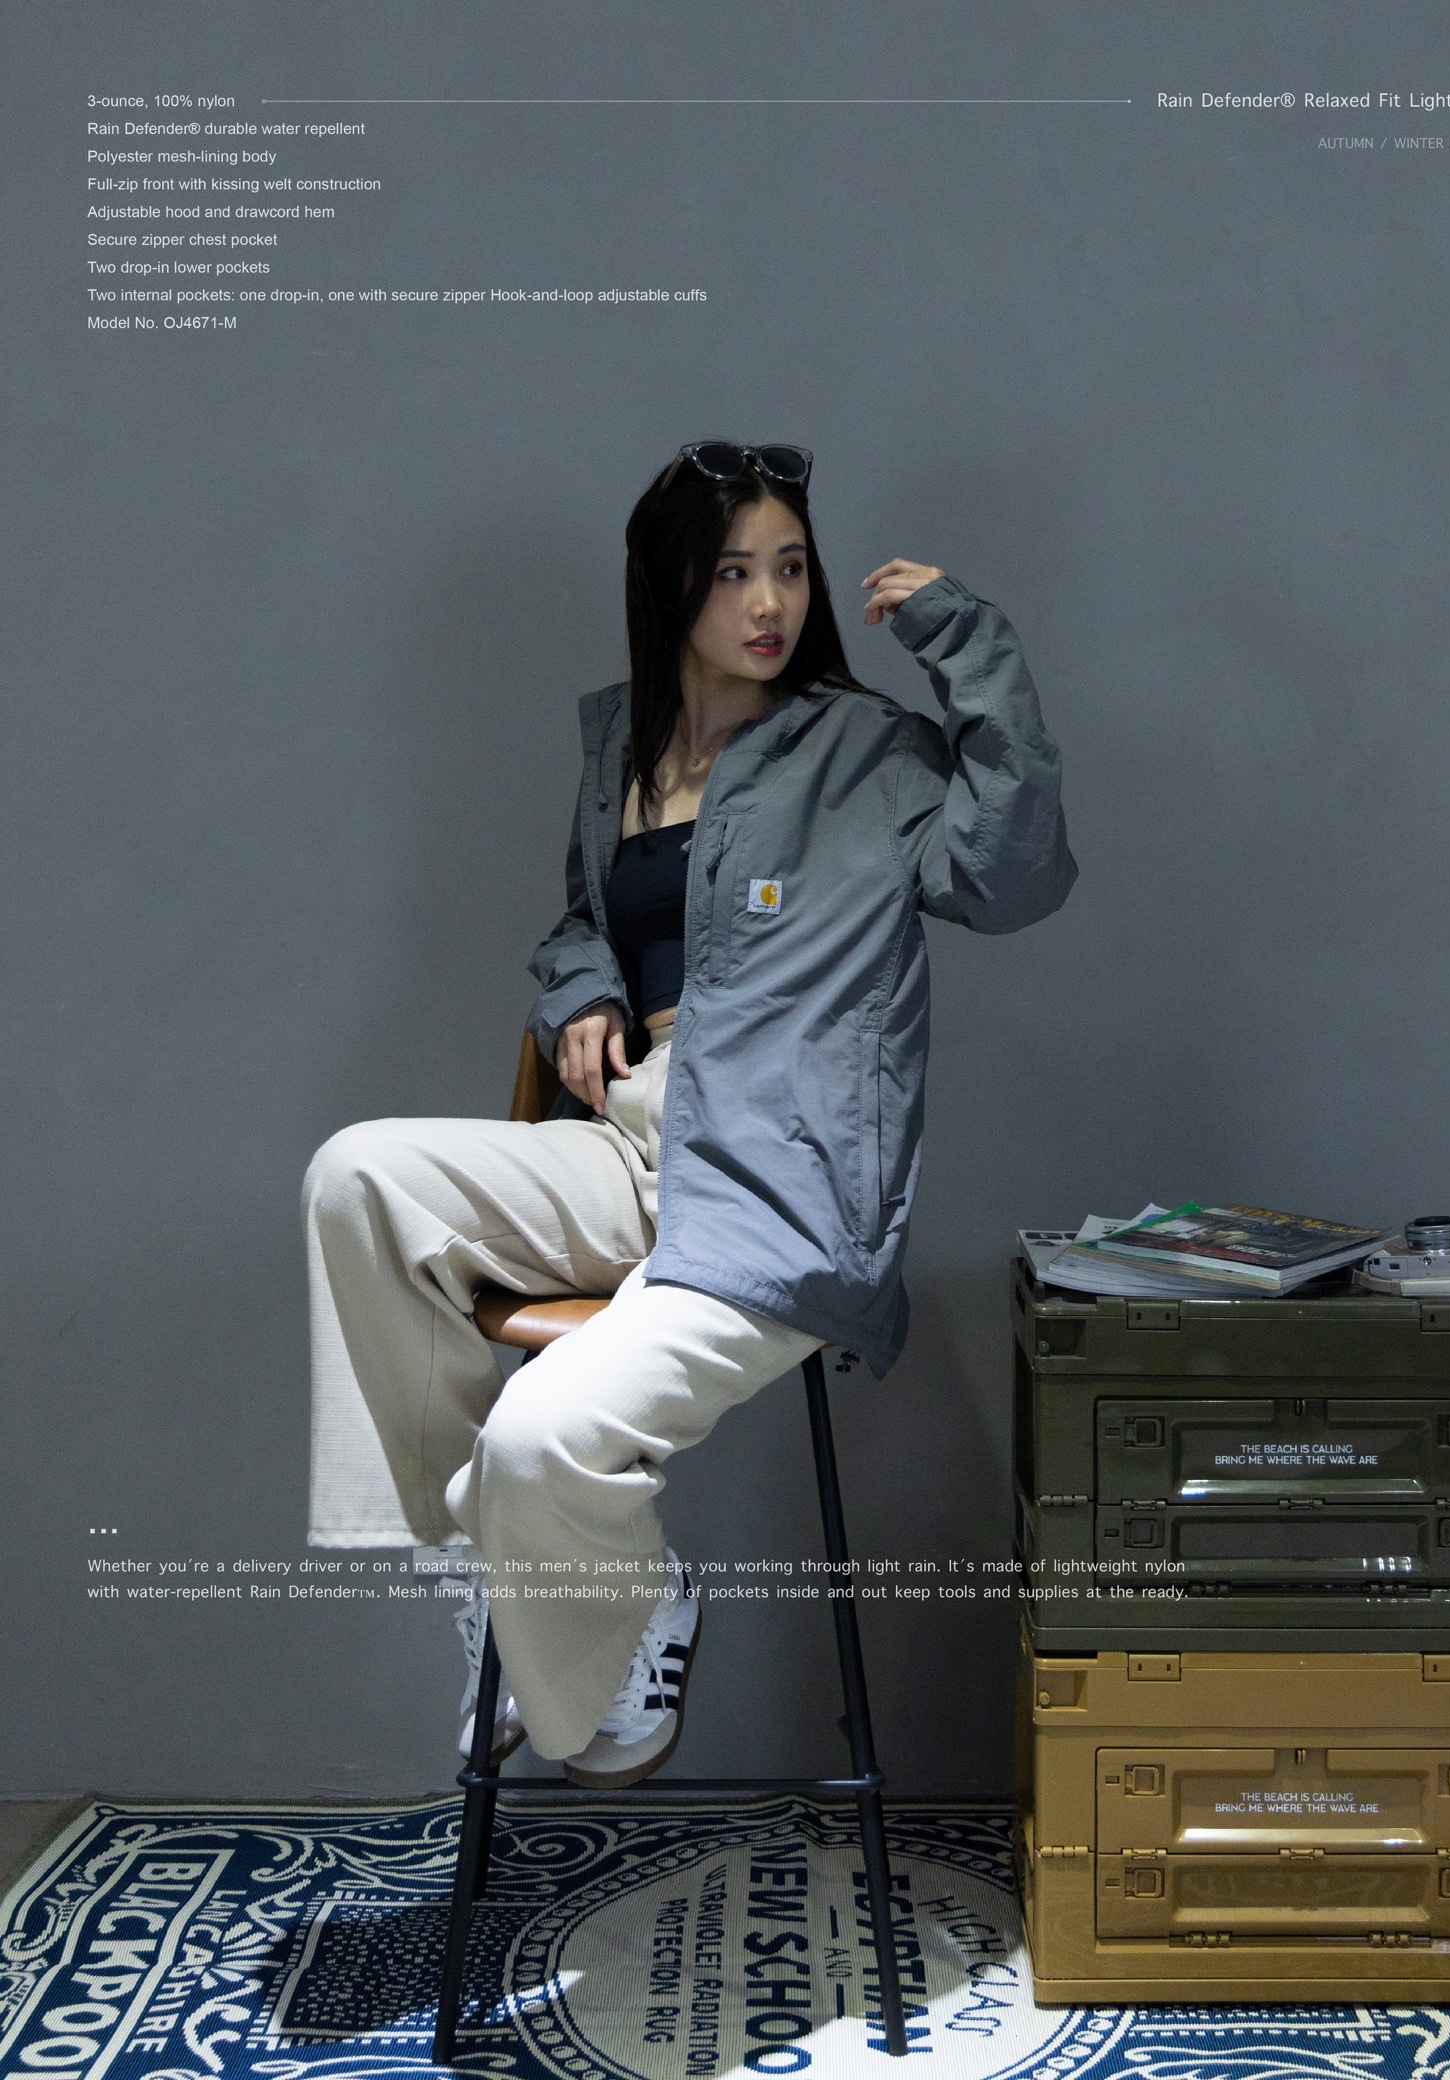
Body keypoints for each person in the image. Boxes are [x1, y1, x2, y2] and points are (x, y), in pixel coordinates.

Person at [305, 441, 1076, 1785]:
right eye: (731, 573)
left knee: (542, 1438)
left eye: (790, 568)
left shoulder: (865, 752)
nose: (769, 603)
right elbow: (585, 920)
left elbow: (1014, 878)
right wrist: (583, 987)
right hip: (628, 1143)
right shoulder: (622, 746)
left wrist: (972, 648)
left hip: (779, 1182)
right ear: (669, 586)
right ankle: (491, 1561)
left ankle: (603, 1607)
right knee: (357, 1179)